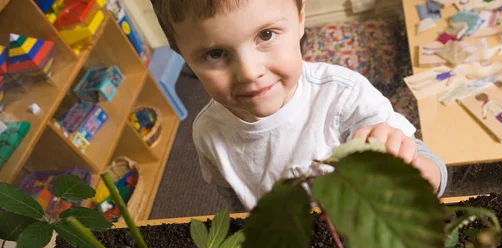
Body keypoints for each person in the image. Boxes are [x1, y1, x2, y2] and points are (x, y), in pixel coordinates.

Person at [151, 0, 448, 210]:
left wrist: (415, 171)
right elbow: (234, 195)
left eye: (265, 35)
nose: (249, 72)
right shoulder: (206, 133)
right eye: (215, 54)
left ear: (300, 16)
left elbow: (431, 166)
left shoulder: (343, 95)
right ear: (183, 56)